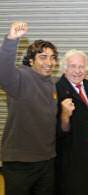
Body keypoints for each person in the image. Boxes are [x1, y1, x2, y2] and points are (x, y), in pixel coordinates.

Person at [0, 21, 59, 195]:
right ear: (31, 60)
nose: (49, 62)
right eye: (43, 57)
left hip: (47, 160)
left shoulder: (52, 84)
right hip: (20, 163)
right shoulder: (20, 78)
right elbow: (3, 71)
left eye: (52, 57)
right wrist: (11, 40)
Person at [55, 49, 88, 195]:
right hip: (71, 157)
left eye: (81, 66)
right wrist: (64, 116)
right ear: (64, 68)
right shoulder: (57, 89)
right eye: (73, 66)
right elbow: (57, 130)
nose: (77, 71)